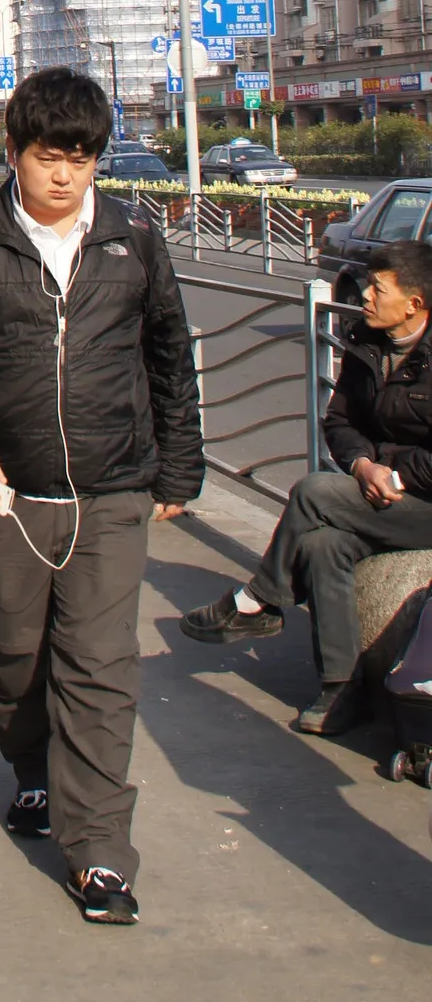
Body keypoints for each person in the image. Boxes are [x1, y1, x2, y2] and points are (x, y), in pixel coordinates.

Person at [0, 68, 202, 927]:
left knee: (101, 667)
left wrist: (178, 465)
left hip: (112, 489)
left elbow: (168, 354)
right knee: (18, 656)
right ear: (13, 152)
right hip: (9, 493)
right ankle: (31, 770)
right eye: (48, 156)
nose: (65, 175)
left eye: (82, 158)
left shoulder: (134, 236)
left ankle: (99, 848)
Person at [180, 240, 432, 734]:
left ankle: (261, 599)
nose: (364, 297)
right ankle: (342, 690)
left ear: (415, 304)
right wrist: (363, 467)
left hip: (422, 499)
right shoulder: (366, 341)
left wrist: (395, 475)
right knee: (320, 545)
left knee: (315, 490)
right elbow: (338, 422)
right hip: (377, 492)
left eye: (377, 289)